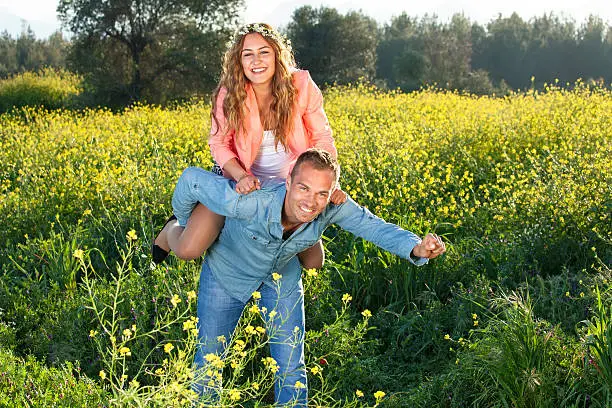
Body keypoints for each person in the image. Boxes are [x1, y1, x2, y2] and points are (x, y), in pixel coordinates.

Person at [171, 149, 446, 406]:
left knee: (291, 366)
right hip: (227, 274)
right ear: (288, 182)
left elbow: (373, 226)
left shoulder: (331, 206)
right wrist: (183, 223)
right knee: (209, 360)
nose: (311, 202)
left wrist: (416, 247)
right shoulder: (252, 201)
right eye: (304, 188)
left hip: (282, 278)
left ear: (331, 194)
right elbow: (192, 179)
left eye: (321, 193)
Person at [152, 22, 344, 268]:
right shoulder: (229, 93)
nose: (257, 60)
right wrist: (241, 176)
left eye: (264, 52)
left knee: (314, 263)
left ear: (276, 55)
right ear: (239, 61)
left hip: (287, 190)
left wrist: (331, 184)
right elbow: (219, 143)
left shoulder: (302, 85)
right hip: (240, 185)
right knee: (189, 249)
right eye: (248, 54)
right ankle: (170, 230)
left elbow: (322, 139)